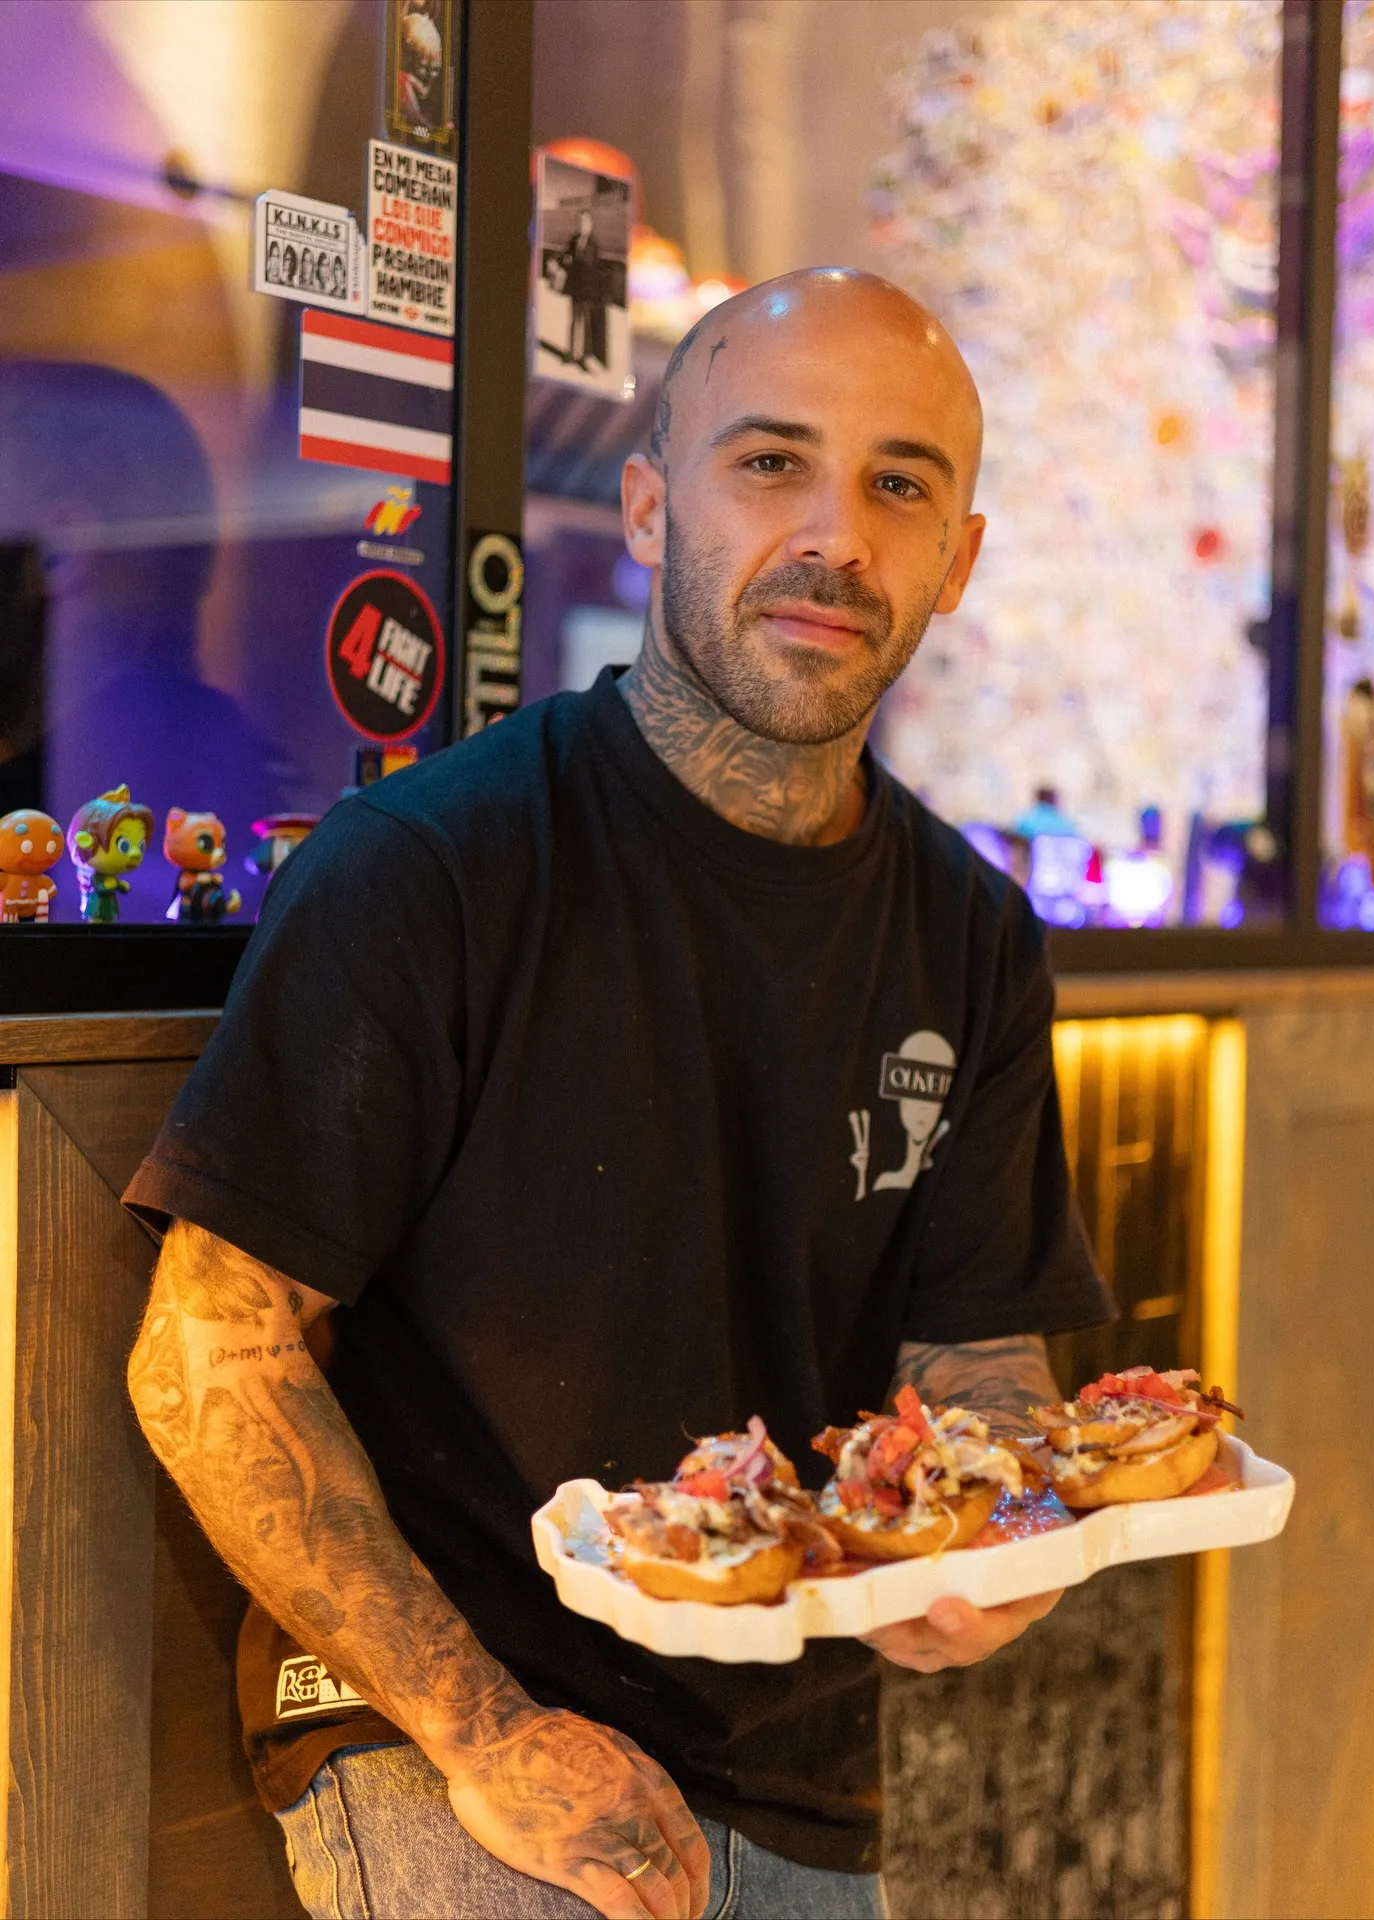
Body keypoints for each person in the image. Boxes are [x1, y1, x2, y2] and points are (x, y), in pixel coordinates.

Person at [125, 268, 1112, 1920]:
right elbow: (209, 1353)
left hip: (805, 1756)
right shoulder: (434, 869)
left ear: (959, 556)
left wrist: (988, 1527)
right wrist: (490, 1730)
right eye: (771, 463)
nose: (837, 539)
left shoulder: (973, 934)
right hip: (445, 1724)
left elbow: (980, 1348)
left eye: (899, 485)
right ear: (650, 507)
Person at [555, 206, 606, 370]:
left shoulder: (593, 244)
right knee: (573, 321)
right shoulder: (574, 239)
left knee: (585, 323)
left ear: (590, 223)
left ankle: (583, 356)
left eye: (585, 221)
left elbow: (591, 268)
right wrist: (562, 261)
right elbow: (565, 256)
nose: (582, 224)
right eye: (580, 221)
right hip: (576, 288)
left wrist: (573, 263)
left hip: (587, 291)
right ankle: (570, 354)